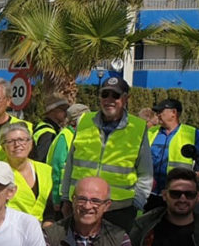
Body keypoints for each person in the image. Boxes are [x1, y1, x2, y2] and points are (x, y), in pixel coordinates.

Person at [61, 76, 152, 232]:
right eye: (105, 94)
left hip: (118, 210)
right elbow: (70, 163)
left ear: (126, 98)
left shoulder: (138, 127)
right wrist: (65, 198)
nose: (109, 100)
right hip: (82, 206)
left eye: (115, 95)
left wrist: (137, 203)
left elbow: (146, 172)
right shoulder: (84, 122)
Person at [0, 122, 54, 224]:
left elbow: (49, 211)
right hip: (9, 230)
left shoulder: (46, 170)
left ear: (30, 143)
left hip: (41, 232)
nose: (17, 145)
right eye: (11, 141)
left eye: (22, 140)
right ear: (3, 147)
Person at [46, 103, 89, 205]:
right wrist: (56, 198)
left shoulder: (80, 136)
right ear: (75, 121)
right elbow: (57, 169)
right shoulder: (65, 136)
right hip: (62, 199)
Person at [32, 95, 69, 162]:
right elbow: (42, 160)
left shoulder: (41, 126)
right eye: (63, 109)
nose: (66, 113)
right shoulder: (48, 133)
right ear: (52, 110)